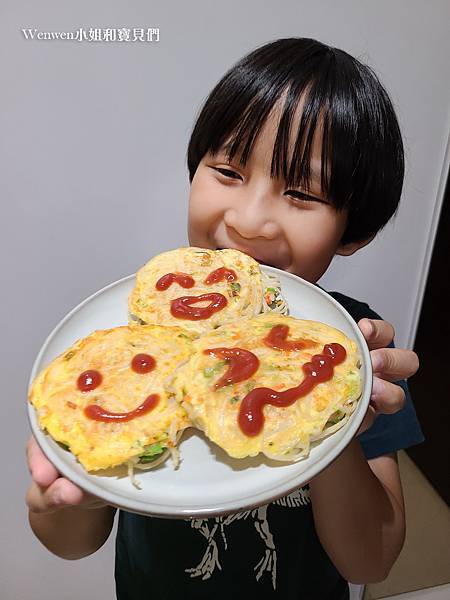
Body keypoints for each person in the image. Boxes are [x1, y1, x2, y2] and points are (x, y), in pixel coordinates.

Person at [26, 38, 424, 599]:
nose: (249, 221)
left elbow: (373, 560)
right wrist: (68, 496)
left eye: (301, 192)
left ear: (354, 230)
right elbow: (68, 543)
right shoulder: (128, 343)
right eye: (229, 172)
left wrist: (337, 423)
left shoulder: (352, 350)